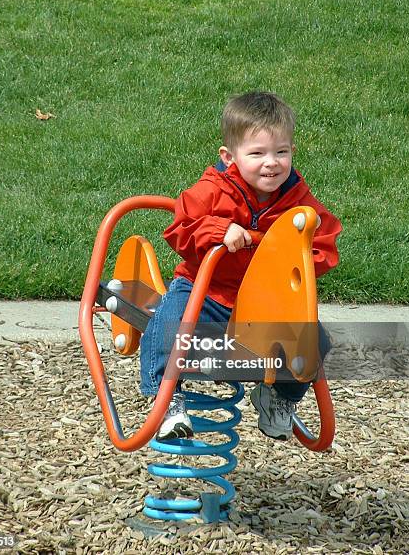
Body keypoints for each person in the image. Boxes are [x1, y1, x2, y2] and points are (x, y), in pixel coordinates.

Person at [139, 91, 342, 441]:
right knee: (170, 322)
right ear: (229, 156)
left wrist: (294, 255)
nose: (271, 163)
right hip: (207, 292)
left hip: (263, 304)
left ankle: (277, 397)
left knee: (315, 340)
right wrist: (220, 230)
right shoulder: (214, 189)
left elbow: (324, 243)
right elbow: (180, 227)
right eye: (257, 153)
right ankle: (166, 400)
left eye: (281, 152)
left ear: (293, 151)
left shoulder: (297, 201)